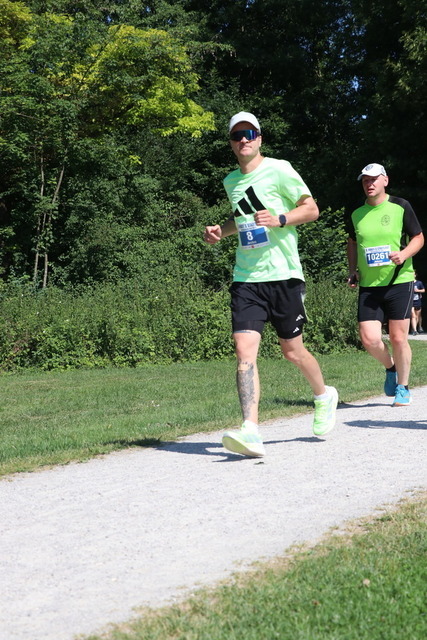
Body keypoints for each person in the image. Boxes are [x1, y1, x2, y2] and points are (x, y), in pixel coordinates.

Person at [204, 111, 338, 457]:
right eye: (237, 135)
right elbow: (241, 218)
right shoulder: (231, 181)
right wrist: (221, 231)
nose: (243, 140)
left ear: (259, 138)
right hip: (246, 277)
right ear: (231, 143)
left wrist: (281, 218)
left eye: (249, 133)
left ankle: (323, 395)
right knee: (243, 350)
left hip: (283, 274)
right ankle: (250, 430)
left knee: (292, 351)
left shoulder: (279, 169)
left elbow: (311, 209)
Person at [347, 163, 424, 406]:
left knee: (398, 337)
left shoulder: (400, 206)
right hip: (369, 285)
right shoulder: (357, 213)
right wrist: (352, 270)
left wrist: (404, 254)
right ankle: (391, 368)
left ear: (385, 181)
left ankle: (403, 387)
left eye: (373, 179)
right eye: (365, 181)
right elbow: (352, 242)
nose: (369, 184)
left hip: (399, 281)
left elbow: (418, 237)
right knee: (369, 339)